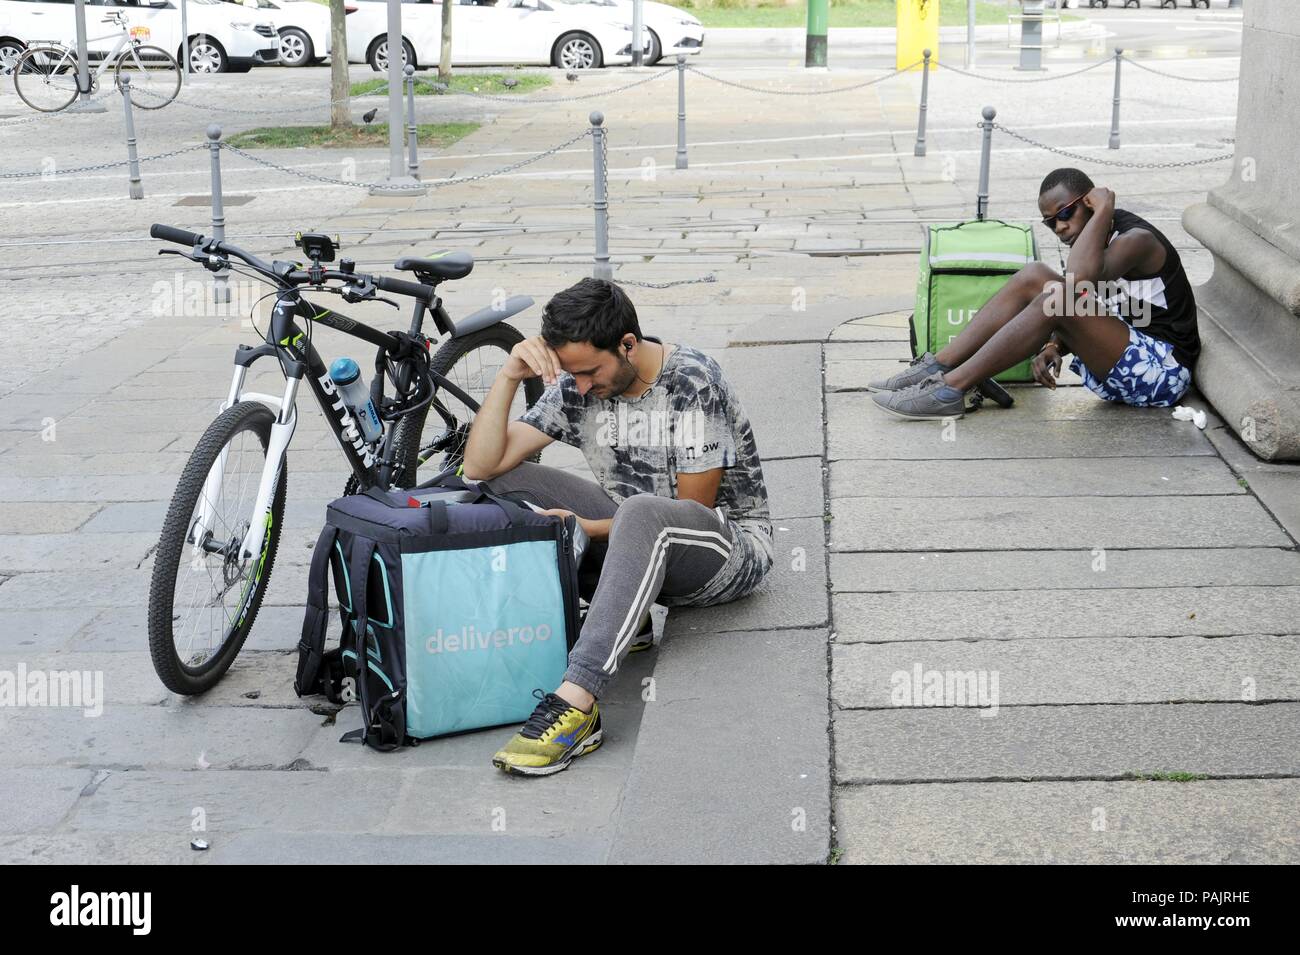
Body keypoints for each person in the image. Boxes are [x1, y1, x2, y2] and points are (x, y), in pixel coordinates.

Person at [461, 278, 775, 776]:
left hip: (725, 549)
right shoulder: (577, 382)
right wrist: (507, 375)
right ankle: (633, 619)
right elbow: (480, 467)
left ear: (627, 344)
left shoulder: (692, 380)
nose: (580, 385)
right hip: (635, 532)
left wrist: (585, 526)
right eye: (572, 373)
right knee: (507, 480)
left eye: (589, 371)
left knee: (640, 511)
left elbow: (693, 509)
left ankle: (576, 703)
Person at [869, 167, 1200, 419]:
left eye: (1066, 214)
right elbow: (1096, 301)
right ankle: (937, 367)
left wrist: (1104, 209)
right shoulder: (1095, 241)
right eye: (1050, 223)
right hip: (1128, 358)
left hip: (1163, 372)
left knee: (1058, 295)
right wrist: (1056, 344)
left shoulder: (1135, 240)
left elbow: (1078, 280)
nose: (1060, 228)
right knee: (1035, 275)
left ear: (1090, 201)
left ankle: (950, 390)